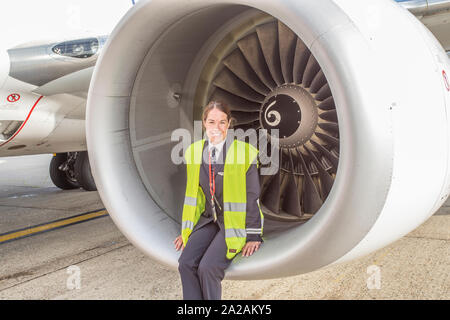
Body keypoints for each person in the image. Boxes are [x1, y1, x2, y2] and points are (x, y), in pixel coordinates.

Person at [173, 100, 264, 300]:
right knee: (186, 264)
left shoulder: (244, 153)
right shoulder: (194, 152)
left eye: (222, 122)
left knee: (208, 268)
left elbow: (251, 197)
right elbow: (194, 197)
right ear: (204, 123)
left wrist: (254, 235)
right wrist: (186, 232)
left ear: (229, 124)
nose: (217, 128)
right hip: (208, 220)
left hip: (233, 224)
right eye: (212, 122)